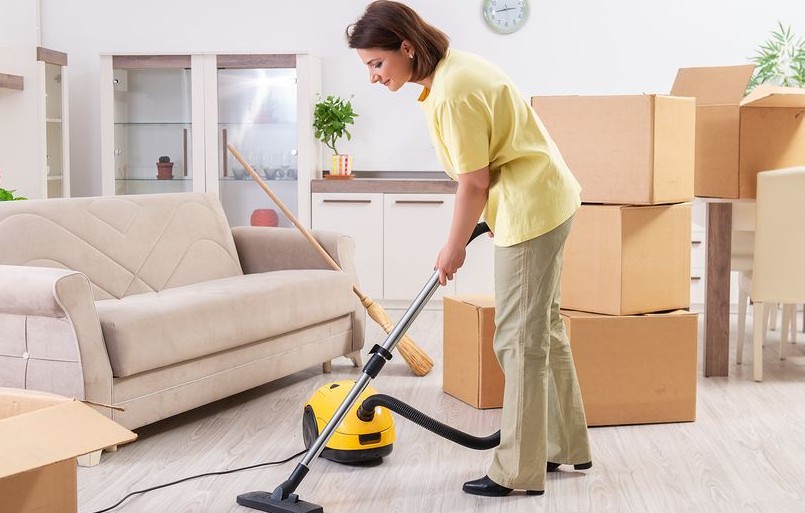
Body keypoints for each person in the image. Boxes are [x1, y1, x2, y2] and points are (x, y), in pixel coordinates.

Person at [347, 0, 592, 497]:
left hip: (533, 209)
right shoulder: (452, 71)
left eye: (377, 63)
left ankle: (518, 471)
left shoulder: (453, 92)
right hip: (544, 198)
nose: (373, 76)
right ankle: (565, 446)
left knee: (518, 338)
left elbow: (474, 182)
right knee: (541, 329)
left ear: (407, 48)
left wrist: (452, 247)